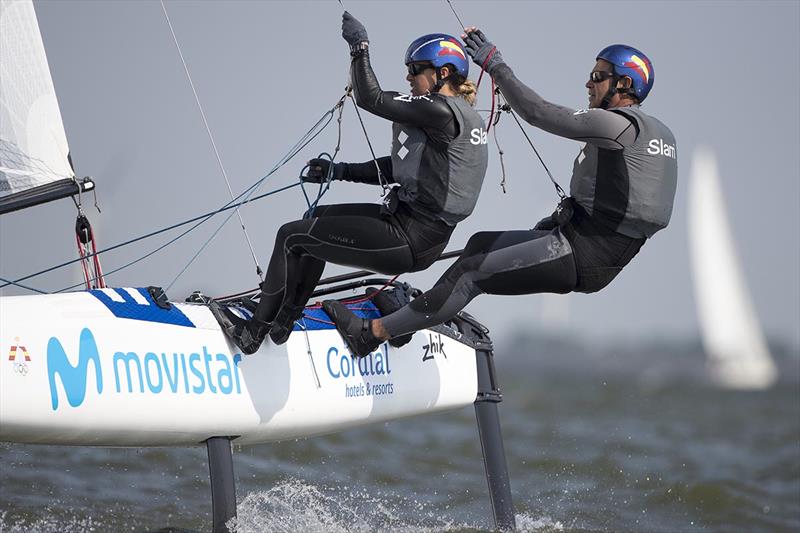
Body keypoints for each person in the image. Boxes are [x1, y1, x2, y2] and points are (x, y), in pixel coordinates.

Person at [323, 28, 678, 357]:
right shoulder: (658, 133)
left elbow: (538, 113)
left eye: (598, 76)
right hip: (586, 243)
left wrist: (496, 65)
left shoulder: (618, 125)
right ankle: (406, 324)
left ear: (625, 83)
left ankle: (373, 333)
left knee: (471, 274)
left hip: (583, 253)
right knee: (479, 245)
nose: (588, 82)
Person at [210, 13, 488, 354]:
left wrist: (360, 47)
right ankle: (282, 324)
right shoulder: (455, 114)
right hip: (410, 230)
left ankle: (252, 334)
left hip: (409, 239)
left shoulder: (441, 110)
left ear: (441, 73)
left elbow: (369, 98)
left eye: (415, 68)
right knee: (315, 218)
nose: (408, 75)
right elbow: (403, 168)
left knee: (291, 236)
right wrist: (339, 170)